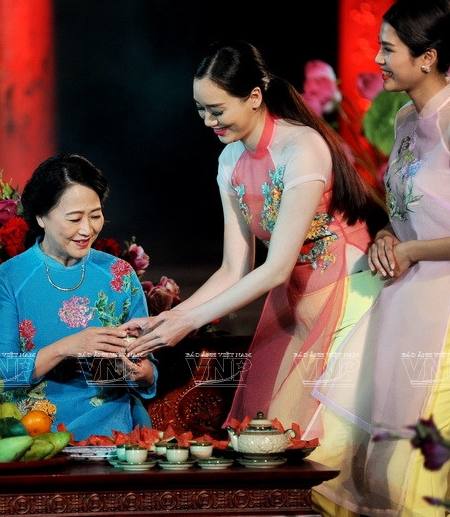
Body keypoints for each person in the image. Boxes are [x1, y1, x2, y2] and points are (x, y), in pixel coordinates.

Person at [311, 0, 450, 516]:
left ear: (426, 57)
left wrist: (413, 250)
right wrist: (387, 235)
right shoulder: (406, 117)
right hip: (406, 303)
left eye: (388, 49)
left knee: (411, 478)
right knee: (343, 461)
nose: (377, 59)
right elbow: (410, 209)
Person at [125, 40, 382, 432]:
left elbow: (276, 268)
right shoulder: (230, 160)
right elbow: (234, 268)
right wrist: (170, 319)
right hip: (296, 300)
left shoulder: (302, 147)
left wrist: (189, 320)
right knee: (277, 432)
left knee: (322, 435)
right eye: (200, 110)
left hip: (346, 293)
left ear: (255, 98)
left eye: (217, 110)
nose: (208, 121)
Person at [0, 154, 158, 441]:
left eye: (95, 215)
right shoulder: (11, 277)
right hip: (34, 432)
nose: (87, 229)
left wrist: (141, 372)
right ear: (41, 217)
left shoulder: (119, 273)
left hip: (113, 430)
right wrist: (68, 347)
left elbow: (148, 372)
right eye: (74, 218)